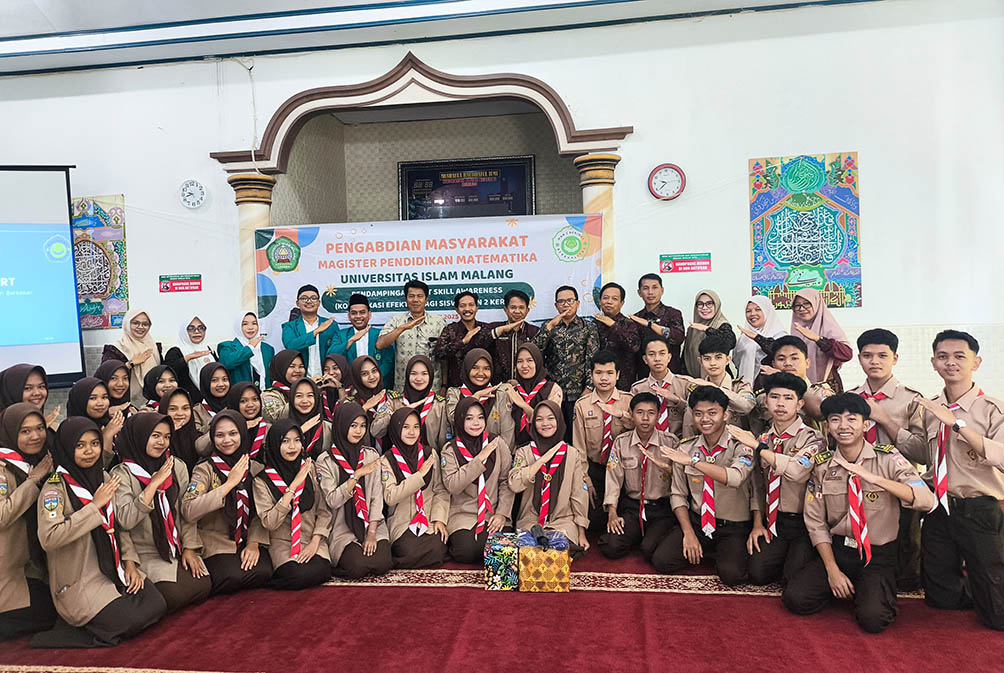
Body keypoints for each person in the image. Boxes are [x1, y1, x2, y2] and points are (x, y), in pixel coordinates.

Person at [783, 394, 933, 633]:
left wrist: (877, 479)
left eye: (852, 419)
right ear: (828, 426)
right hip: (840, 551)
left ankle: (866, 591)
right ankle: (846, 586)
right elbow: (816, 522)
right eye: (835, 419)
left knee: (874, 619)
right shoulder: (822, 466)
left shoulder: (889, 459)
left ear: (866, 425)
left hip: (877, 555)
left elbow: (926, 500)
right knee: (796, 599)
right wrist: (832, 571)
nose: (843, 426)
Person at [34, 417, 166, 647]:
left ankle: (105, 616)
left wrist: (130, 562)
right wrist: (94, 507)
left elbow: (117, 525)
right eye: (80, 445)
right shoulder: (54, 488)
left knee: (158, 605)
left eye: (95, 444)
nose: (89, 451)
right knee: (127, 621)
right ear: (66, 448)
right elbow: (49, 538)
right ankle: (68, 633)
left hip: (114, 568)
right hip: (81, 578)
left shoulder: (102, 477)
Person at [908, 330, 1004, 631]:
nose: (950, 362)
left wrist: (958, 424)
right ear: (933, 363)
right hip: (940, 505)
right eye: (943, 356)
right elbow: (925, 453)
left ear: (976, 362)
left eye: (959, 356)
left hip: (978, 507)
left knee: (997, 614)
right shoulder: (930, 408)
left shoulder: (992, 409)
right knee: (940, 597)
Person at [653, 386, 758, 585]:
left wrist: (694, 462)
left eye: (712, 413)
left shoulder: (741, 446)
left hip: (732, 527)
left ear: (725, 415)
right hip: (698, 523)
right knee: (662, 560)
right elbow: (678, 495)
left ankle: (718, 552)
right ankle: (704, 547)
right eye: (698, 414)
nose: (705, 419)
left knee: (732, 576)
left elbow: (735, 478)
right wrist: (688, 533)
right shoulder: (686, 447)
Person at [848, 328, 927, 591]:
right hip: (859, 482)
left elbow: (922, 452)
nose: (875, 361)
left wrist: (884, 419)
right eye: (867, 355)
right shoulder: (850, 398)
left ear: (895, 358)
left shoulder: (912, 399)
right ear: (859, 359)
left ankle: (905, 582)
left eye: (883, 355)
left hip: (898, 484)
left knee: (906, 544)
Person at [111, 414, 211, 613]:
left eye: (166, 437)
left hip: (176, 547)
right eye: (155, 435)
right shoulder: (121, 474)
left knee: (204, 585)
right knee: (174, 594)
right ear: (139, 436)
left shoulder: (176, 466)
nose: (162, 442)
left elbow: (185, 512)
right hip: (144, 552)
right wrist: (153, 485)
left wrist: (190, 547)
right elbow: (123, 523)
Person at [732, 373, 826, 586]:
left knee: (792, 580)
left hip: (805, 523)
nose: (781, 403)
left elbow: (797, 471)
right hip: (774, 521)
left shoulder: (813, 438)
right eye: (774, 397)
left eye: (788, 398)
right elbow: (757, 485)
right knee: (757, 574)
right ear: (766, 401)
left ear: (800, 404)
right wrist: (758, 524)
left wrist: (759, 449)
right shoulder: (764, 438)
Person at [180, 410, 273, 595]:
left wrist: (254, 542)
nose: (227, 440)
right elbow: (188, 510)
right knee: (231, 576)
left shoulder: (254, 467)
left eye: (233, 433)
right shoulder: (204, 469)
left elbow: (260, 512)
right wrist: (229, 484)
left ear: (242, 434)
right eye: (220, 435)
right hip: (215, 540)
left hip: (246, 539)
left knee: (265, 572)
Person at [597, 392, 678, 561]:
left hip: (661, 509)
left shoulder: (670, 442)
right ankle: (637, 534)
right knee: (611, 546)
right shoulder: (621, 442)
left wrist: (665, 467)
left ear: (658, 416)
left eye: (651, 413)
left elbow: (681, 480)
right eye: (640, 412)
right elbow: (613, 479)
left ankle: (647, 537)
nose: (645, 418)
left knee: (649, 549)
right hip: (633, 508)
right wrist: (612, 512)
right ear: (631, 415)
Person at [254, 420, 333, 590]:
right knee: (296, 575)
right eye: (285, 441)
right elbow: (269, 522)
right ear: (275, 444)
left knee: (323, 570)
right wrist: (293, 487)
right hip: (283, 542)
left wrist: (315, 541)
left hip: (311, 537)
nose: (292, 447)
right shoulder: (261, 480)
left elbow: (323, 510)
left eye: (297, 440)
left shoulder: (309, 468)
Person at [0, 403, 57, 640]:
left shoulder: (43, 458)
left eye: (40, 428)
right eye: (25, 431)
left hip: (32, 564)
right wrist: (32, 481)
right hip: (8, 568)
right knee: (49, 614)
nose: (35, 436)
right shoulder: (3, 467)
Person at [315, 403, 392, 578]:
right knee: (356, 567)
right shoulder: (326, 461)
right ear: (341, 426)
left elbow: (376, 497)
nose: (358, 431)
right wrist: (356, 476)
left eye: (363, 426)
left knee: (382, 563)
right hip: (342, 527)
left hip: (371, 524)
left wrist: (372, 533)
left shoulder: (371, 455)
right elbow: (332, 500)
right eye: (353, 425)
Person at [509, 401, 589, 554]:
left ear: (559, 420)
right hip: (530, 521)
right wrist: (540, 461)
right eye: (539, 419)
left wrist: (581, 533)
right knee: (529, 552)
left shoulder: (572, 454)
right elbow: (514, 485)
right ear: (533, 423)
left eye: (551, 418)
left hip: (562, 521)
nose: (545, 423)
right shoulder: (524, 452)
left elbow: (578, 494)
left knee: (558, 549)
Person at [441, 397, 513, 564]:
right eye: (469, 418)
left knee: (502, 552)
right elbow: (453, 485)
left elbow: (505, 481)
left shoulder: (497, 444)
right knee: (466, 552)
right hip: (463, 514)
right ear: (460, 420)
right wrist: (479, 459)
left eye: (480, 417)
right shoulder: (450, 450)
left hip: (492, 513)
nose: (476, 423)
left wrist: (502, 513)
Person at [380, 408, 449, 568]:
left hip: (429, 518)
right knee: (408, 550)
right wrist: (419, 476)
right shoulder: (387, 460)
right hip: (402, 521)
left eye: (416, 427)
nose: (411, 432)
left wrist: (439, 519)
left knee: (438, 549)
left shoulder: (430, 454)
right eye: (405, 427)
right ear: (396, 429)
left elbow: (440, 490)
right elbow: (390, 497)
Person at [573, 350, 634, 531]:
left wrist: (621, 415)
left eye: (609, 373)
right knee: (594, 521)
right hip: (596, 470)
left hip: (624, 470)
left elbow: (639, 430)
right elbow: (579, 447)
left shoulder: (628, 401)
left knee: (625, 522)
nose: (604, 378)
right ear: (591, 375)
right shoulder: (582, 405)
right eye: (598, 373)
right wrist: (587, 480)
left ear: (618, 375)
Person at [533, 286, 599, 436]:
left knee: (577, 436)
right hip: (553, 392)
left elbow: (592, 359)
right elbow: (534, 352)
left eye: (570, 300)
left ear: (578, 303)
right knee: (555, 434)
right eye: (561, 301)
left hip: (579, 392)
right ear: (556, 305)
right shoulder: (549, 327)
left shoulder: (588, 327)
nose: (566, 304)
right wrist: (549, 327)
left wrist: (589, 388)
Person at [752, 336, 833, 434]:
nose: (788, 363)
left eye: (794, 358)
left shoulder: (822, 390)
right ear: (773, 364)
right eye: (781, 359)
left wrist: (790, 381)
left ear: (807, 363)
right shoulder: (764, 396)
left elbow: (819, 411)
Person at [378, 280, 447, 393]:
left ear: (426, 299)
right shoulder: (397, 321)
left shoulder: (439, 322)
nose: (415, 300)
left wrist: (444, 385)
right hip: (403, 387)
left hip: (433, 387)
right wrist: (401, 329)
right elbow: (380, 344)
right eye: (411, 296)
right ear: (406, 299)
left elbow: (444, 358)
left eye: (420, 296)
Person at [680, 335, 756, 436]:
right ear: (700, 361)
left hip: (736, 443)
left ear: (728, 359)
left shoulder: (740, 386)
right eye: (707, 358)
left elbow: (747, 407)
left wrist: (715, 388)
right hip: (706, 444)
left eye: (718, 357)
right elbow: (689, 426)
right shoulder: (697, 390)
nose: (713, 363)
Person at [371, 355, 448, 451]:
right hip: (398, 457)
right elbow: (375, 431)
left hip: (429, 457)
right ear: (407, 375)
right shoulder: (394, 401)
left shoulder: (440, 405)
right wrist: (400, 412)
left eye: (424, 374)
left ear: (431, 376)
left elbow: (443, 441)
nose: (419, 378)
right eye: (414, 373)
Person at [629, 336, 694, 438]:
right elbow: (632, 420)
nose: (657, 359)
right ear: (645, 359)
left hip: (679, 443)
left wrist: (676, 400)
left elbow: (695, 414)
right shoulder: (638, 389)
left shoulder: (685, 384)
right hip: (648, 442)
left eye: (662, 353)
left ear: (669, 357)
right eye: (652, 354)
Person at [445, 349, 514, 444]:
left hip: (495, 451)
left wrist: (499, 452)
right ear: (467, 368)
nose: (481, 373)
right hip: (462, 451)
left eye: (486, 368)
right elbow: (454, 419)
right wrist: (475, 397)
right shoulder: (455, 393)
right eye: (475, 367)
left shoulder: (500, 395)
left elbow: (507, 433)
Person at [475, 289, 540, 384]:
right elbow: (478, 345)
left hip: (526, 387)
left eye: (521, 308)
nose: (517, 311)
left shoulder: (534, 331)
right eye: (513, 307)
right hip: (497, 386)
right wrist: (500, 331)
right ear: (505, 309)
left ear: (527, 310)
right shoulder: (494, 328)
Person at [101, 309, 164, 408]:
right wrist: (131, 363)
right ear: (127, 324)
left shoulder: (154, 348)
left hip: (153, 402)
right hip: (123, 404)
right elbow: (105, 376)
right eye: (135, 323)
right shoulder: (116, 349)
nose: (140, 327)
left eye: (145, 324)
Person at [504, 343, 562, 450]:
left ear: (537, 362)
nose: (524, 365)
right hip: (516, 450)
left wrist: (523, 405)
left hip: (545, 449)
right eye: (520, 361)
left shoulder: (553, 389)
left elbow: (549, 422)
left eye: (530, 360)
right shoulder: (512, 390)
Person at [327, 294, 393, 385]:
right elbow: (331, 355)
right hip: (350, 385)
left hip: (377, 384)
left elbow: (389, 361)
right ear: (349, 316)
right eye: (354, 313)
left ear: (369, 315)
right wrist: (351, 340)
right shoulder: (341, 335)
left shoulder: (381, 334)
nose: (358, 316)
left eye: (362, 312)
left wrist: (373, 377)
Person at [632, 274, 686, 376]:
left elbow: (678, 338)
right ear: (639, 293)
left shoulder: (673, 314)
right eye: (646, 288)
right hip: (645, 376)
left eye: (655, 287)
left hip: (672, 374)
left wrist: (650, 325)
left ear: (662, 290)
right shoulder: (636, 318)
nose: (650, 292)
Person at [432, 291, 488, 389]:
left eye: (471, 305)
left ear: (477, 308)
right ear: (457, 310)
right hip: (456, 388)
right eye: (462, 306)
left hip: (483, 386)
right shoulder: (450, 329)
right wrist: (462, 342)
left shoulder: (485, 329)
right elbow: (438, 353)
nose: (467, 309)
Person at [592, 282, 641, 390]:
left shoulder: (629, 324)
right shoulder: (593, 325)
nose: (609, 302)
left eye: (614, 299)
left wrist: (613, 325)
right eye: (605, 298)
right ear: (599, 301)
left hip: (623, 385)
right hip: (598, 383)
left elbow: (634, 346)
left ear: (621, 303)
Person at [281, 284, 336, 379]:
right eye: (304, 298)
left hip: (326, 379)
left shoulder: (331, 325)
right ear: (297, 303)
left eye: (313, 298)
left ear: (319, 303)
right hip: (300, 380)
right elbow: (291, 345)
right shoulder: (289, 326)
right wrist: (316, 331)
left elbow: (335, 353)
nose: (309, 301)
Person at [66, 377, 122, 464]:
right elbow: (94, 467)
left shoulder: (110, 424)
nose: (100, 403)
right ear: (80, 400)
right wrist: (107, 437)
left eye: (104, 397)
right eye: (93, 398)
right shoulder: (70, 432)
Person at [733, 296, 788, 384]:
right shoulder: (743, 337)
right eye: (748, 311)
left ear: (767, 311)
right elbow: (736, 362)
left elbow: (780, 354)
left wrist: (757, 338)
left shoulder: (780, 336)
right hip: (744, 386)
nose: (752, 314)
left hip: (772, 385)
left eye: (758, 309)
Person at [682, 290, 736, 378]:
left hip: (719, 381)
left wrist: (706, 329)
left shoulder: (722, 325)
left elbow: (730, 342)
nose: (704, 308)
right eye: (700, 304)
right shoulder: (693, 328)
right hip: (694, 380)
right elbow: (686, 357)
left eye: (709, 303)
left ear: (716, 305)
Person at [164, 316, 218, 403]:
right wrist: (187, 358)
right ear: (184, 331)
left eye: (201, 328)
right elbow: (168, 372)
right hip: (186, 402)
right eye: (191, 328)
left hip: (212, 401)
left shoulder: (209, 350)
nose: (196, 331)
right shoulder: (176, 351)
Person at [218, 312, 275, 389]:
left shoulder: (267, 348)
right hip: (239, 393)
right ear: (238, 326)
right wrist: (250, 347)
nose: (250, 327)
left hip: (264, 394)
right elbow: (227, 363)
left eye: (254, 323)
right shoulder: (227, 346)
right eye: (245, 324)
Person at [348, 355, 390, 449]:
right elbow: (347, 429)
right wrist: (365, 408)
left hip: (390, 453)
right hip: (362, 453)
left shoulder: (390, 398)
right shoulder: (351, 402)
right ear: (357, 377)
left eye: (374, 371)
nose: (371, 377)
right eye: (364, 374)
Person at [161, 388, 202, 476]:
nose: (180, 413)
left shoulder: (199, 439)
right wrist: (168, 434)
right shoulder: (155, 439)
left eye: (185, 408)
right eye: (173, 409)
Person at [288, 378, 333, 459]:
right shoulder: (282, 428)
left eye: (310, 395)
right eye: (299, 396)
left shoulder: (329, 428)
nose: (305, 401)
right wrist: (299, 432)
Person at [224, 382, 269, 461]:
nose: (250, 405)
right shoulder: (222, 427)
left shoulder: (269, 429)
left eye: (255, 399)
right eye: (243, 401)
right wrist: (239, 428)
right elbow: (202, 449)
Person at [260, 349, 306, 423]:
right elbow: (275, 417)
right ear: (281, 368)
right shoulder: (269, 395)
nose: (297, 370)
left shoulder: (309, 391)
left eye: (301, 366)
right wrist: (302, 395)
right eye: (292, 366)